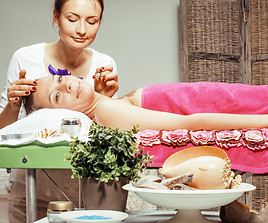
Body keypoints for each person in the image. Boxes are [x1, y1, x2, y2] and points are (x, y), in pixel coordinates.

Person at [0, 0, 119, 223]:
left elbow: (104, 139)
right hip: (30, 188)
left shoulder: (104, 65)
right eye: (72, 19)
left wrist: (103, 100)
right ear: (56, 17)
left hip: (85, 191)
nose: (82, 29)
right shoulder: (25, 58)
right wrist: (13, 106)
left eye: (92, 21)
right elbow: (2, 133)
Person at [23, 74, 268, 132]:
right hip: (245, 107)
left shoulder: (106, 103)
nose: (65, 84)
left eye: (58, 78)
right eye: (57, 96)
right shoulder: (106, 111)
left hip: (237, 99)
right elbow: (189, 123)